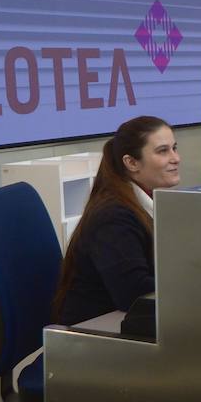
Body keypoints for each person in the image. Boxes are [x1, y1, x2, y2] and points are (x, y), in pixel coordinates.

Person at [52, 116, 180, 325]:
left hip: (123, 321)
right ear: (131, 162)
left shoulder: (143, 202)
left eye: (174, 148)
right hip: (97, 332)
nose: (175, 158)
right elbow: (134, 294)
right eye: (163, 151)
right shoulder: (113, 217)